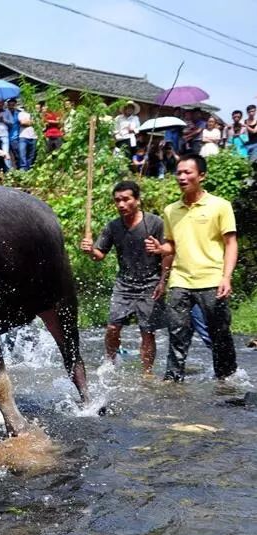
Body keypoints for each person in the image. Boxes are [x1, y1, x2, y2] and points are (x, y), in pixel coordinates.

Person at [145, 154, 237, 382]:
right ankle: (173, 381)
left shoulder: (220, 206)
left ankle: (226, 380)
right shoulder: (170, 211)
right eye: (179, 173)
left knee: (220, 334)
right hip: (180, 281)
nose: (182, 177)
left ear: (201, 176)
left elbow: (230, 243)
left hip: (211, 280)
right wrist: (160, 250)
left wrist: (226, 277)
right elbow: (172, 246)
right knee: (176, 334)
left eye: (188, 172)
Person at [81, 181, 165, 374]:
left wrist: (163, 281)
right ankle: (110, 362)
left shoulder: (154, 223)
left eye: (126, 199)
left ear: (137, 200)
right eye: (117, 200)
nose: (121, 204)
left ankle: (147, 372)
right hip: (124, 284)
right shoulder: (113, 226)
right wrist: (90, 250)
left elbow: (167, 253)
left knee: (147, 331)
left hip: (150, 282)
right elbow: (99, 255)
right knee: (112, 327)